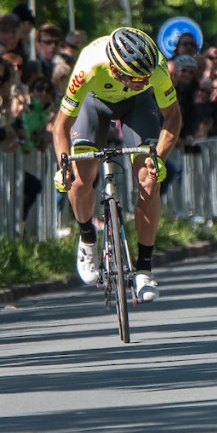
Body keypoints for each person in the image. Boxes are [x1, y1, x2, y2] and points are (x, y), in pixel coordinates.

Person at [52, 27, 182, 303]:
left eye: (146, 77)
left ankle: (144, 268)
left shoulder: (154, 71)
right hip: (93, 103)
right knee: (80, 178)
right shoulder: (88, 68)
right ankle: (88, 237)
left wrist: (158, 158)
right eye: (137, 78)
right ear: (114, 68)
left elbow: (173, 119)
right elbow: (60, 127)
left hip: (137, 106)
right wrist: (63, 165)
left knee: (149, 180)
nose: (143, 81)